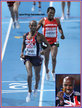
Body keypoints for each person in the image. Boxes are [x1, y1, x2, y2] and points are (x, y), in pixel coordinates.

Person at [20, 20, 50, 102]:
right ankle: (29, 92)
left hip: (37, 58)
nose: (33, 27)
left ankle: (36, 87)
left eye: (35, 25)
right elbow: (23, 44)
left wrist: (44, 51)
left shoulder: (40, 36)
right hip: (28, 58)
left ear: (36, 26)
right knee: (29, 75)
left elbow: (48, 46)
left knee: (37, 76)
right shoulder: (25, 35)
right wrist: (22, 52)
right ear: (29, 26)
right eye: (32, 25)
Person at [37, 7, 65, 81]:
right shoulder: (43, 20)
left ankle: (53, 71)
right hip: (46, 43)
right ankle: (46, 71)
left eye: (53, 13)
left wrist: (62, 34)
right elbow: (36, 30)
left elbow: (60, 28)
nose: (51, 14)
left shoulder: (57, 20)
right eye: (50, 12)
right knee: (47, 59)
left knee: (53, 57)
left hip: (55, 42)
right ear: (47, 12)